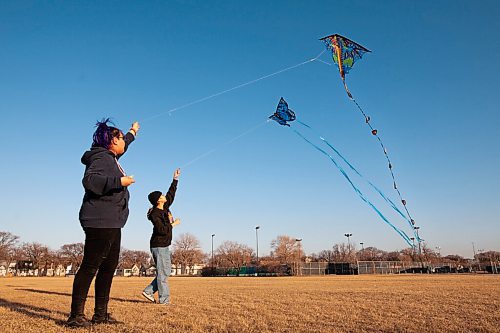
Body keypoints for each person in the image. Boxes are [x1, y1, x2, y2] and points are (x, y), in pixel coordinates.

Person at [66, 118, 140, 328]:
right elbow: (90, 181)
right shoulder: (101, 158)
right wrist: (119, 182)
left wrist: (132, 132)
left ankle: (100, 315)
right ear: (111, 142)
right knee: (90, 266)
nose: (122, 141)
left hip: (112, 221)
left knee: (108, 267)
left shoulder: (109, 156)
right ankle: (75, 316)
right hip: (99, 220)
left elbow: (124, 142)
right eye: (119, 138)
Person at [142, 168, 181, 305]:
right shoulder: (155, 214)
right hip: (158, 245)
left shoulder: (165, 207)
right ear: (158, 200)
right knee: (163, 274)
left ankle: (148, 291)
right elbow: (161, 229)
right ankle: (164, 300)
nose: (164, 196)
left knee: (166, 272)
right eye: (161, 195)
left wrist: (175, 179)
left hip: (164, 244)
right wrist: (173, 224)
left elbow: (171, 194)